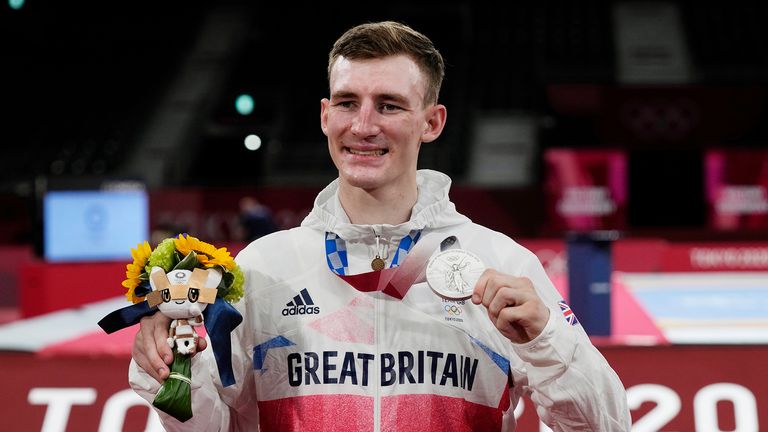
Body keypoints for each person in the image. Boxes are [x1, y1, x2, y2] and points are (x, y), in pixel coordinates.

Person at [130, 21, 631, 431]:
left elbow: (606, 428)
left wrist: (544, 342)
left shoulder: (501, 263)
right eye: (347, 103)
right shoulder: (261, 268)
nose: (363, 126)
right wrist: (173, 369)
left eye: (389, 106)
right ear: (326, 116)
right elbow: (201, 426)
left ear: (431, 123)